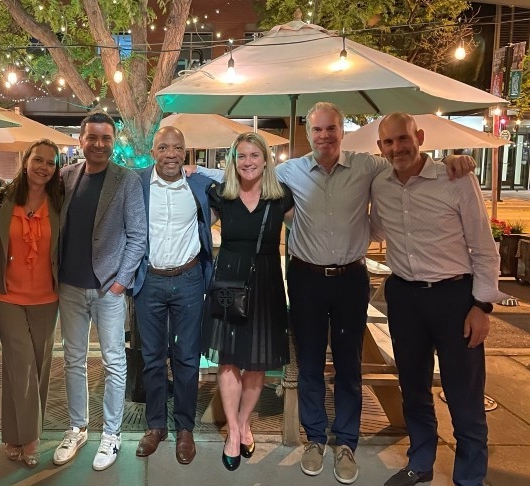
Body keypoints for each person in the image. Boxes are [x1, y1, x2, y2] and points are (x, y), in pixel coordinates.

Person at [188, 102, 474, 484]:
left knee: (348, 365)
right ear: (309, 134)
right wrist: (186, 167)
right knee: (307, 364)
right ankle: (314, 438)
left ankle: (346, 443)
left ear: (342, 130)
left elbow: (406, 162)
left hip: (350, 279)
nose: (324, 136)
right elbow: (236, 171)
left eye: (331, 129)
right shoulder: (290, 171)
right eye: (317, 130)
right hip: (305, 279)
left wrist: (455, 160)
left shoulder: (367, 165)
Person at [370, 113, 504, 486]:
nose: (397, 148)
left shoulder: (455, 179)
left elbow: (484, 246)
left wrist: (482, 306)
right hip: (404, 298)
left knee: (464, 395)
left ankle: (469, 477)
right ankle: (421, 462)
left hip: (454, 298)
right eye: (389, 142)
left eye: (403, 139)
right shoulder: (380, 184)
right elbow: (376, 227)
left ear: (420, 137)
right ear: (380, 148)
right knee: (413, 388)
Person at [52, 112, 147, 471]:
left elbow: (138, 236)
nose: (99, 144)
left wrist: (121, 281)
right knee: (73, 360)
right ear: (81, 140)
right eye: (92, 137)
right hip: (70, 287)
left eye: (106, 138)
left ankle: (111, 434)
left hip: (109, 287)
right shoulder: (66, 177)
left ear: (114, 141)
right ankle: (77, 428)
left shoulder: (125, 180)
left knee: (114, 362)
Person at [203, 132, 293, 472]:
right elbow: (192, 217)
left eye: (254, 155)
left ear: (266, 158)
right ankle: (233, 433)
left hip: (267, 282)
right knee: (228, 360)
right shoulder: (221, 195)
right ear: (232, 160)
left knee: (257, 362)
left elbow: (311, 225)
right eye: (241, 155)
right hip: (228, 281)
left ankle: (243, 424)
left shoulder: (281, 197)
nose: (248, 161)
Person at [131, 126, 215, 465]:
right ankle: (155, 426)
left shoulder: (198, 185)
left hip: (190, 278)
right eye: (163, 147)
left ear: (186, 152)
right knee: (151, 358)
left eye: (177, 148)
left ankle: (184, 428)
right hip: (149, 280)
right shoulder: (136, 183)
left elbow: (237, 174)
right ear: (153, 152)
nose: (170, 153)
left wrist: (204, 169)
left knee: (187, 358)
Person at [0, 139, 64, 468]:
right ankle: (31, 437)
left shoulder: (61, 202)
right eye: (38, 159)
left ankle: (13, 434)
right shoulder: (2, 197)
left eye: (50, 162)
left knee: (39, 364)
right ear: (26, 160)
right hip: (6, 294)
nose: (43, 167)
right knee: (22, 363)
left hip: (47, 295)